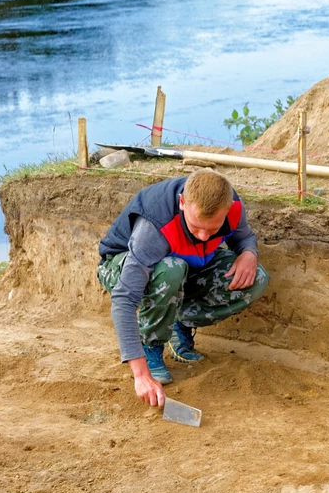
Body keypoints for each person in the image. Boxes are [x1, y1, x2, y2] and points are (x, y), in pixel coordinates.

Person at [97, 169, 269, 407]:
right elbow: (124, 300)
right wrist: (140, 375)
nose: (202, 235)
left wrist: (249, 252)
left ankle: (180, 323)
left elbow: (244, 237)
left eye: (212, 229)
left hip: (189, 266)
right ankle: (151, 346)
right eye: (196, 226)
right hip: (121, 266)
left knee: (256, 278)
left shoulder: (231, 205)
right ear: (182, 203)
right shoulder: (154, 227)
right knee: (171, 269)